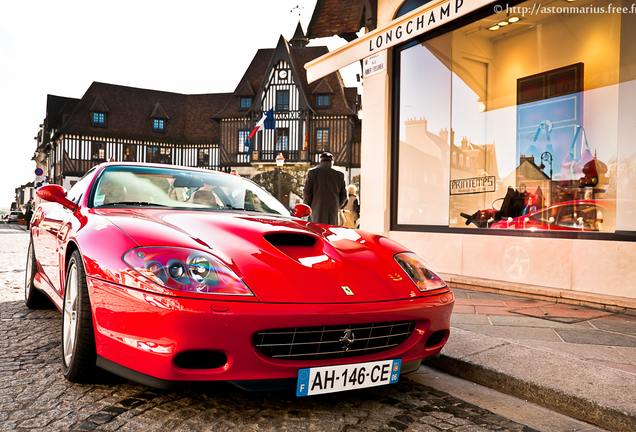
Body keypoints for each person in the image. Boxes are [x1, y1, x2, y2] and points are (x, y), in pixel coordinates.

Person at [303, 152, 347, 225]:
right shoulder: (339, 175)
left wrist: (309, 207)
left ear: (320, 161)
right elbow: (344, 196)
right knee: (331, 234)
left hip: (315, 213)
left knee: (316, 233)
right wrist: (336, 206)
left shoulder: (312, 173)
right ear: (332, 162)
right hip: (333, 214)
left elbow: (306, 193)